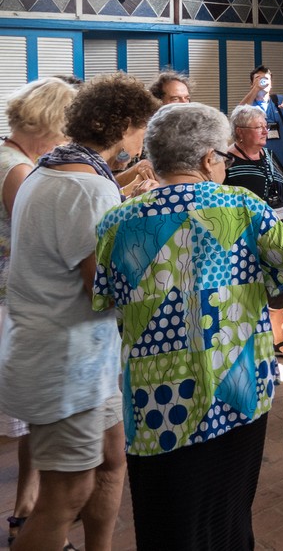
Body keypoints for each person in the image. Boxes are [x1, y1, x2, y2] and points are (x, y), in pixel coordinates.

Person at [92, 102, 283, 549]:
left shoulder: (117, 221)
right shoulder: (243, 208)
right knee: (231, 516)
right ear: (210, 158)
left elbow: (106, 298)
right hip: (238, 388)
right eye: (225, 157)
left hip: (155, 399)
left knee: (164, 522)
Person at [0, 72, 159, 551]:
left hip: (80, 355)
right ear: (126, 125)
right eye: (142, 129)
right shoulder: (87, 188)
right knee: (66, 496)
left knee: (112, 459)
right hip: (63, 360)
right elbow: (104, 288)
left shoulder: (52, 167)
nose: (142, 141)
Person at [0, 77, 75, 548]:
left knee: (32, 420)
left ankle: (27, 506)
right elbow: (45, 237)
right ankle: (41, 519)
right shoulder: (18, 170)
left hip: (13, 297)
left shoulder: (11, 158)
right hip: (17, 300)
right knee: (41, 414)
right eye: (66, 129)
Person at [224, 105, 283, 363]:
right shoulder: (225, 160)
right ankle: (247, 345)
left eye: (266, 126)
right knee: (247, 292)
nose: (265, 131)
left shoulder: (268, 154)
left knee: (279, 289)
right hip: (242, 239)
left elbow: (278, 188)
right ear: (240, 132)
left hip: (277, 231)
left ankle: (278, 339)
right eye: (258, 127)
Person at [239, 64, 283, 169]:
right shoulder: (249, 105)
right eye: (258, 79)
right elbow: (238, 114)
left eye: (266, 79)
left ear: (271, 83)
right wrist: (255, 89)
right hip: (259, 164)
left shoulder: (280, 101)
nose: (263, 82)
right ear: (251, 84)